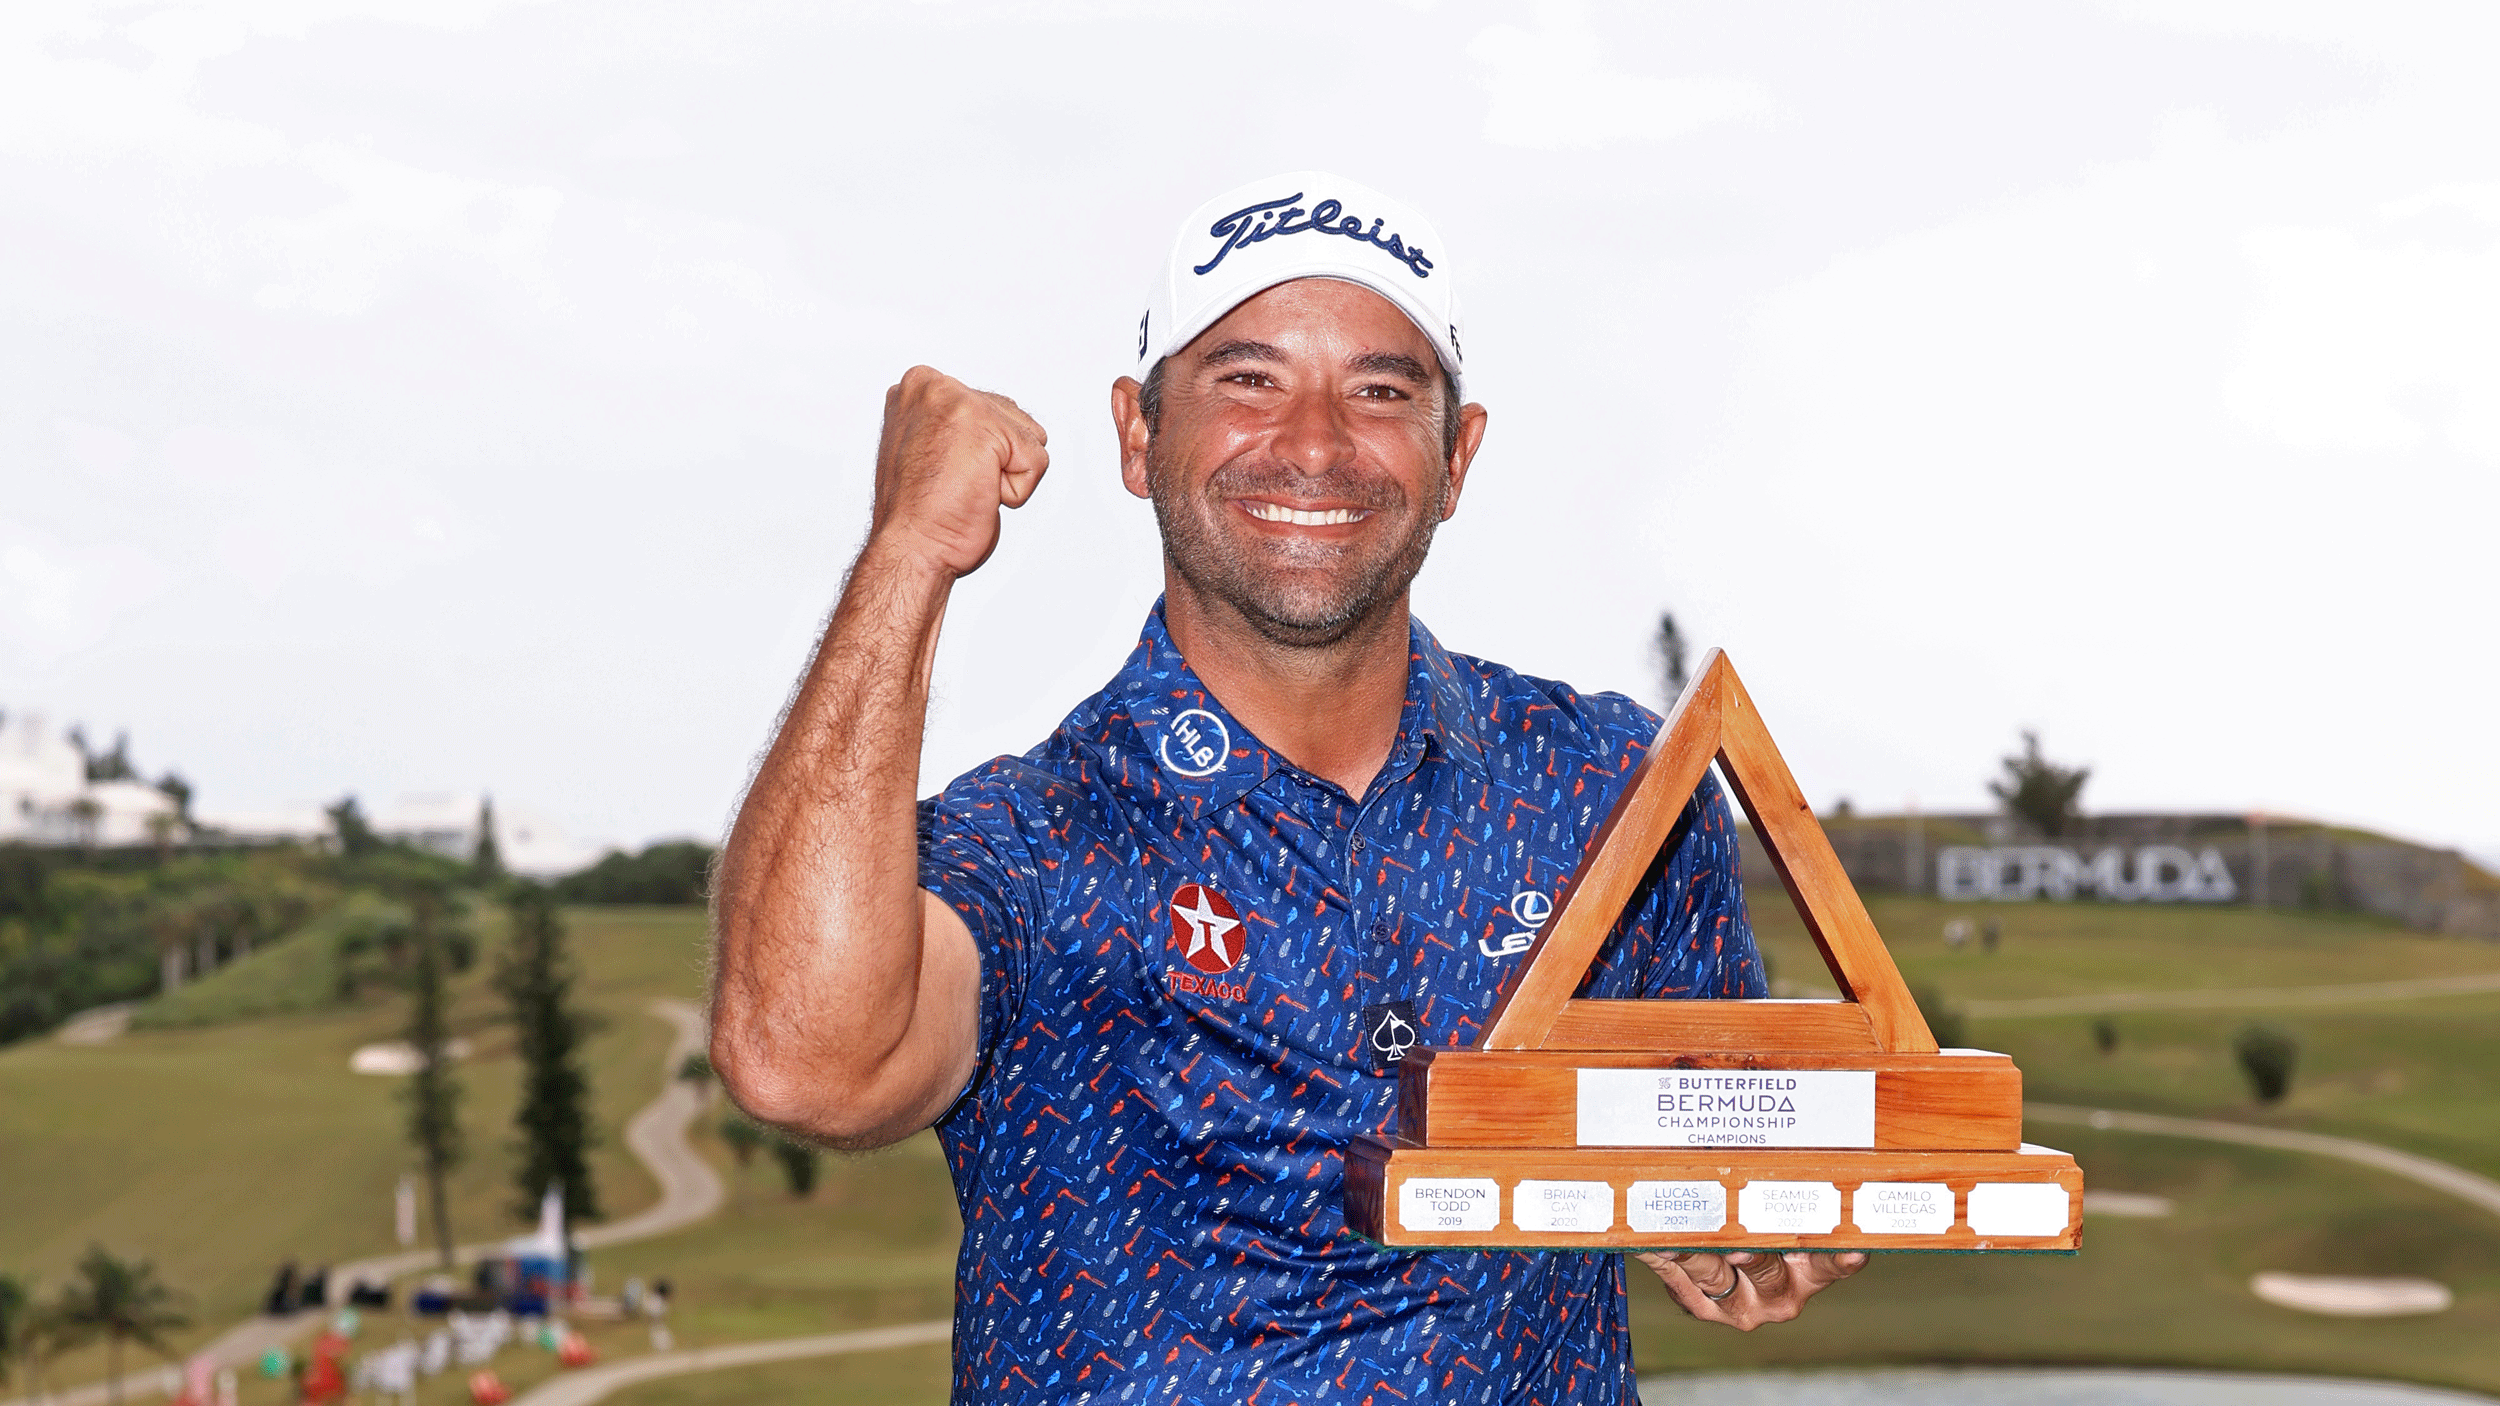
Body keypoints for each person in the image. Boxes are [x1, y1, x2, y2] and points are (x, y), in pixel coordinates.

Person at [711, 171, 1865, 1403]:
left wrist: (1753, 1211)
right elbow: (801, 1062)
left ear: (1457, 455)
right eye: (1248, 380)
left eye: (1381, 390)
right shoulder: (1031, 838)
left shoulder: (1610, 784)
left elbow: (1718, 1131)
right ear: (1139, 434)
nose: (1314, 444)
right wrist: (909, 553)